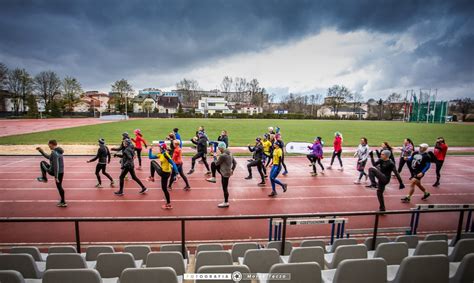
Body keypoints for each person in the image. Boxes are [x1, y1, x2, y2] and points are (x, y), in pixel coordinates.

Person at [36, 140, 67, 207]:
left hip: (55, 172)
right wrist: (41, 151)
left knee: (42, 163)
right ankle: (63, 202)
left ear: (52, 144)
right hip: (61, 172)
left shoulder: (54, 153)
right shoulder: (58, 151)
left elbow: (56, 165)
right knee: (59, 186)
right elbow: (49, 157)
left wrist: (56, 177)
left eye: (49, 145)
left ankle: (44, 178)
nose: (48, 146)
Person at [206, 142, 237, 208]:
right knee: (225, 188)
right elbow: (235, 163)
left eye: (219, 148)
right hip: (228, 172)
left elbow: (217, 163)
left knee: (225, 188)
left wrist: (214, 157)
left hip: (224, 173)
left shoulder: (223, 155)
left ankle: (226, 202)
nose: (219, 149)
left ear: (222, 148)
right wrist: (232, 170)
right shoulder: (230, 153)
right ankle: (213, 177)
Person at [149, 143, 178, 209]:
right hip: (165, 173)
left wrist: (177, 173)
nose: (159, 149)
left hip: (164, 173)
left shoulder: (165, 154)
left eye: (160, 148)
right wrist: (150, 150)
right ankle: (168, 204)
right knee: (164, 189)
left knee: (152, 162)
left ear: (162, 148)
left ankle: (152, 177)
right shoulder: (160, 154)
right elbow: (150, 157)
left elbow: (172, 163)